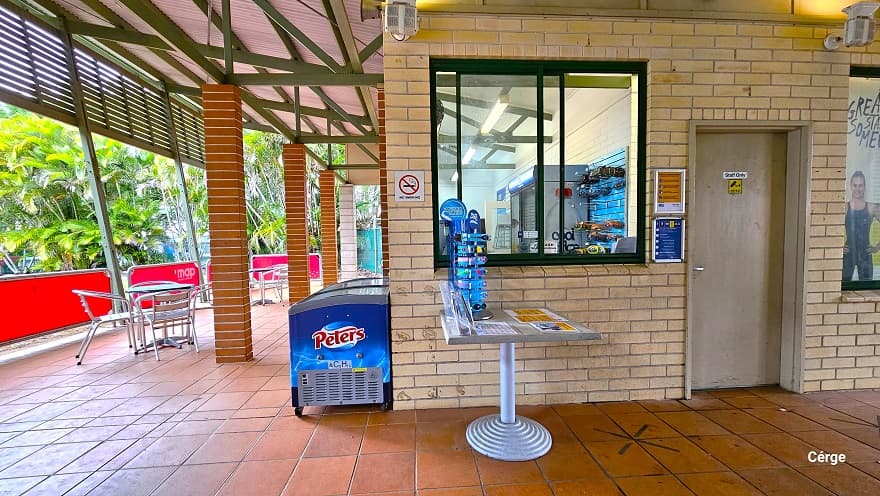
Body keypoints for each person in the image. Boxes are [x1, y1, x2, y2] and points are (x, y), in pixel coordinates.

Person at [843, 171, 880, 281]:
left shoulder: (871, 207)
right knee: (842, 288)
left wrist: (877, 247)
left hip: (865, 255)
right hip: (848, 254)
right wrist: (837, 246)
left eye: (860, 185)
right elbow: (828, 227)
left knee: (866, 289)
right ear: (851, 186)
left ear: (864, 187)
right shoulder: (845, 207)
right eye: (855, 185)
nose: (857, 189)